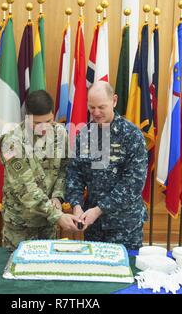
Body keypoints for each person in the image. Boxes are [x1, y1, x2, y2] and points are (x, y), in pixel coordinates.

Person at [66, 81, 148, 250]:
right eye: (91, 107)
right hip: (93, 227)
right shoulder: (85, 135)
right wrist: (76, 205)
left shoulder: (132, 136)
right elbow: (75, 174)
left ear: (114, 101)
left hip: (125, 226)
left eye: (101, 107)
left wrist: (99, 209)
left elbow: (133, 184)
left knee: (125, 272)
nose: (96, 113)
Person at [0, 90, 80, 250]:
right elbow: (26, 189)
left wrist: (58, 196)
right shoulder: (11, 143)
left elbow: (64, 169)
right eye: (37, 123)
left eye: (48, 121)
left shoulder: (60, 133)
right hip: (21, 224)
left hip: (48, 222)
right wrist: (57, 215)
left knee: (48, 268)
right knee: (19, 270)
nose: (44, 128)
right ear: (27, 117)